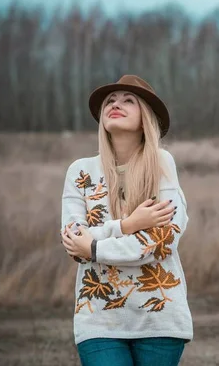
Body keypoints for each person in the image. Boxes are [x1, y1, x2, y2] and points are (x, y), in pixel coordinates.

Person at [60, 75, 193, 366]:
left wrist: (95, 249)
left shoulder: (161, 164)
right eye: (110, 101)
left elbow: (162, 242)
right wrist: (128, 225)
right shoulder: (80, 172)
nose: (115, 104)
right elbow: (73, 241)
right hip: (98, 320)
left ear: (145, 116)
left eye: (128, 100)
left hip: (158, 317)